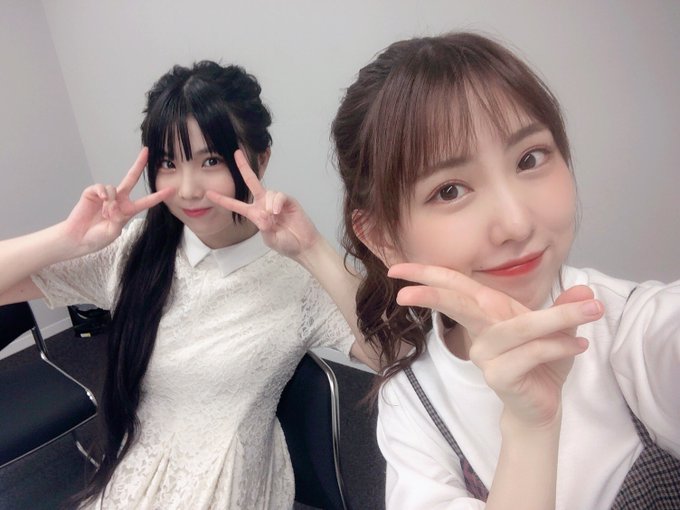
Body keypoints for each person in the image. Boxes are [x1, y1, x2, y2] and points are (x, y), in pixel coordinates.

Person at [0, 61, 378, 509]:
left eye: (211, 161)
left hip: (227, 482)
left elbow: (392, 355)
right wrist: (68, 239)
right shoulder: (137, 251)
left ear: (261, 159)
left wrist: (314, 249)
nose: (188, 189)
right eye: (168, 163)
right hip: (136, 473)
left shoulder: (296, 277)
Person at [331, 32, 680, 509]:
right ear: (382, 238)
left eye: (529, 159)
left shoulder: (633, 327)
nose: (516, 224)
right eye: (450, 190)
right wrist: (530, 426)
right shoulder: (413, 406)